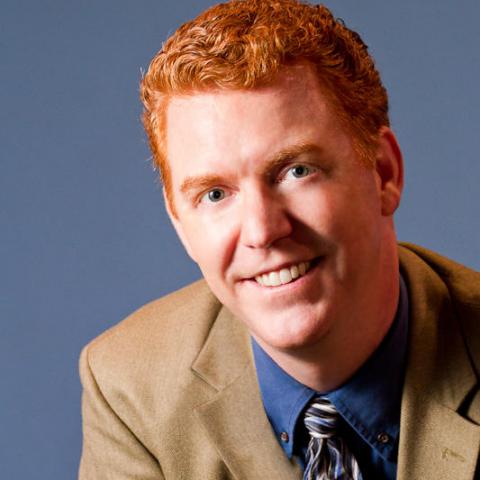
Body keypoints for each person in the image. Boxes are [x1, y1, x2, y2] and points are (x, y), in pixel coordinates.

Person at [78, 1, 480, 479]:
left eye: (296, 170)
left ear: (384, 173)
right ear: (180, 224)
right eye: (214, 194)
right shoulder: (130, 388)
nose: (263, 231)